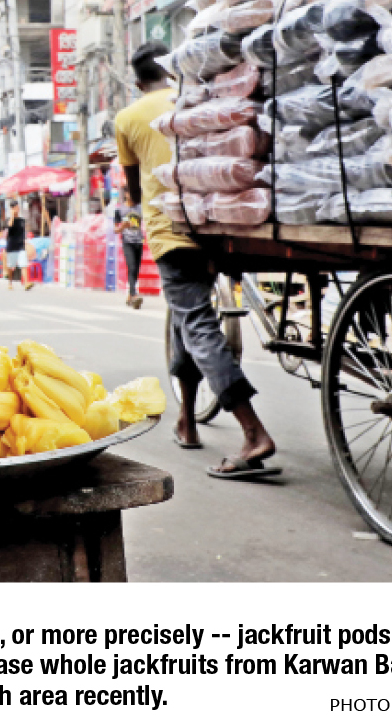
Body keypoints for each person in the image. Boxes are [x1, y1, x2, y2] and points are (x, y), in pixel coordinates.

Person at [114, 40, 279, 480]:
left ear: (137, 83)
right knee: (185, 322)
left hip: (173, 231)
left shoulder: (127, 119)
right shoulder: (194, 100)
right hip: (223, 224)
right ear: (172, 72)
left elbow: (134, 190)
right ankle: (186, 419)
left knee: (196, 323)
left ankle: (252, 432)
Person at [114, 188, 145, 309]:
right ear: (126, 194)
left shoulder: (140, 208)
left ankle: (130, 295)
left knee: (136, 269)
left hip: (139, 242)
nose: (132, 196)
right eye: (131, 193)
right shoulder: (120, 210)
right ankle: (134, 294)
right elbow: (115, 229)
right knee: (131, 267)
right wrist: (122, 227)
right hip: (127, 242)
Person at [4, 204, 33, 291]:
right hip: (12, 246)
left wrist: (25, 241)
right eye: (15, 208)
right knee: (11, 266)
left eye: (18, 207)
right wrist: (12, 215)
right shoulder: (8, 219)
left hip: (21, 246)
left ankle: (26, 283)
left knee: (23, 264)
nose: (17, 209)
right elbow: (10, 226)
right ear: (12, 209)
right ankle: (10, 282)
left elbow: (23, 232)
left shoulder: (22, 220)